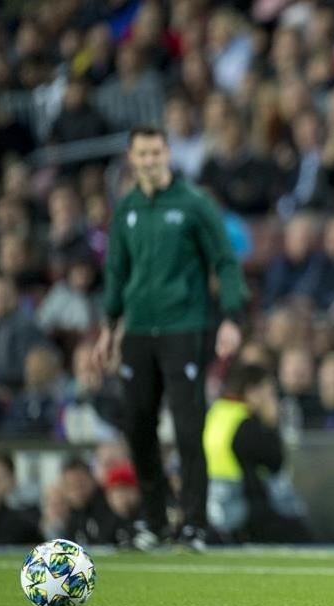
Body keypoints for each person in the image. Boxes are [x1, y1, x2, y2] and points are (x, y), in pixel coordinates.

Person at [96, 125, 248, 552]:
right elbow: (116, 273)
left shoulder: (194, 204)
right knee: (139, 427)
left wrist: (232, 317)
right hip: (139, 331)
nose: (149, 160)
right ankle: (155, 521)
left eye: (156, 152)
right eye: (142, 153)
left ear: (168, 154)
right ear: (131, 157)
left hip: (185, 326)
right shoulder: (125, 208)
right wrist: (109, 327)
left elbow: (224, 260)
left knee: (187, 427)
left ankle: (194, 523)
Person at [204, 363, 314, 543]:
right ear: (252, 392)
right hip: (241, 508)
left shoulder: (216, 413)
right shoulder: (246, 425)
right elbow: (275, 463)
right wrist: (271, 422)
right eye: (269, 393)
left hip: (213, 506)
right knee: (298, 530)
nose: (273, 399)